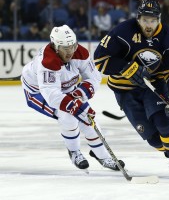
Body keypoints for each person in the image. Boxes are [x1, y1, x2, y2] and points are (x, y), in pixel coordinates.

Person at [94, 0, 169, 180]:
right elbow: (100, 61)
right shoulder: (122, 31)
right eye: (145, 20)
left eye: (153, 20)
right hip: (124, 90)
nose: (149, 24)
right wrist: (127, 68)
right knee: (153, 139)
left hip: (153, 85)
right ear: (138, 18)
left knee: (164, 121)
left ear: (159, 19)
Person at [21, 24, 125, 172]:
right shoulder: (48, 61)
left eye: (72, 46)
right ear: (56, 46)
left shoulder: (80, 53)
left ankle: (102, 155)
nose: (70, 51)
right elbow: (51, 95)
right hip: (37, 92)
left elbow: (94, 78)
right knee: (67, 115)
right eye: (65, 48)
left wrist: (78, 94)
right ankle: (74, 152)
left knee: (89, 119)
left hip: (66, 89)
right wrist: (74, 106)